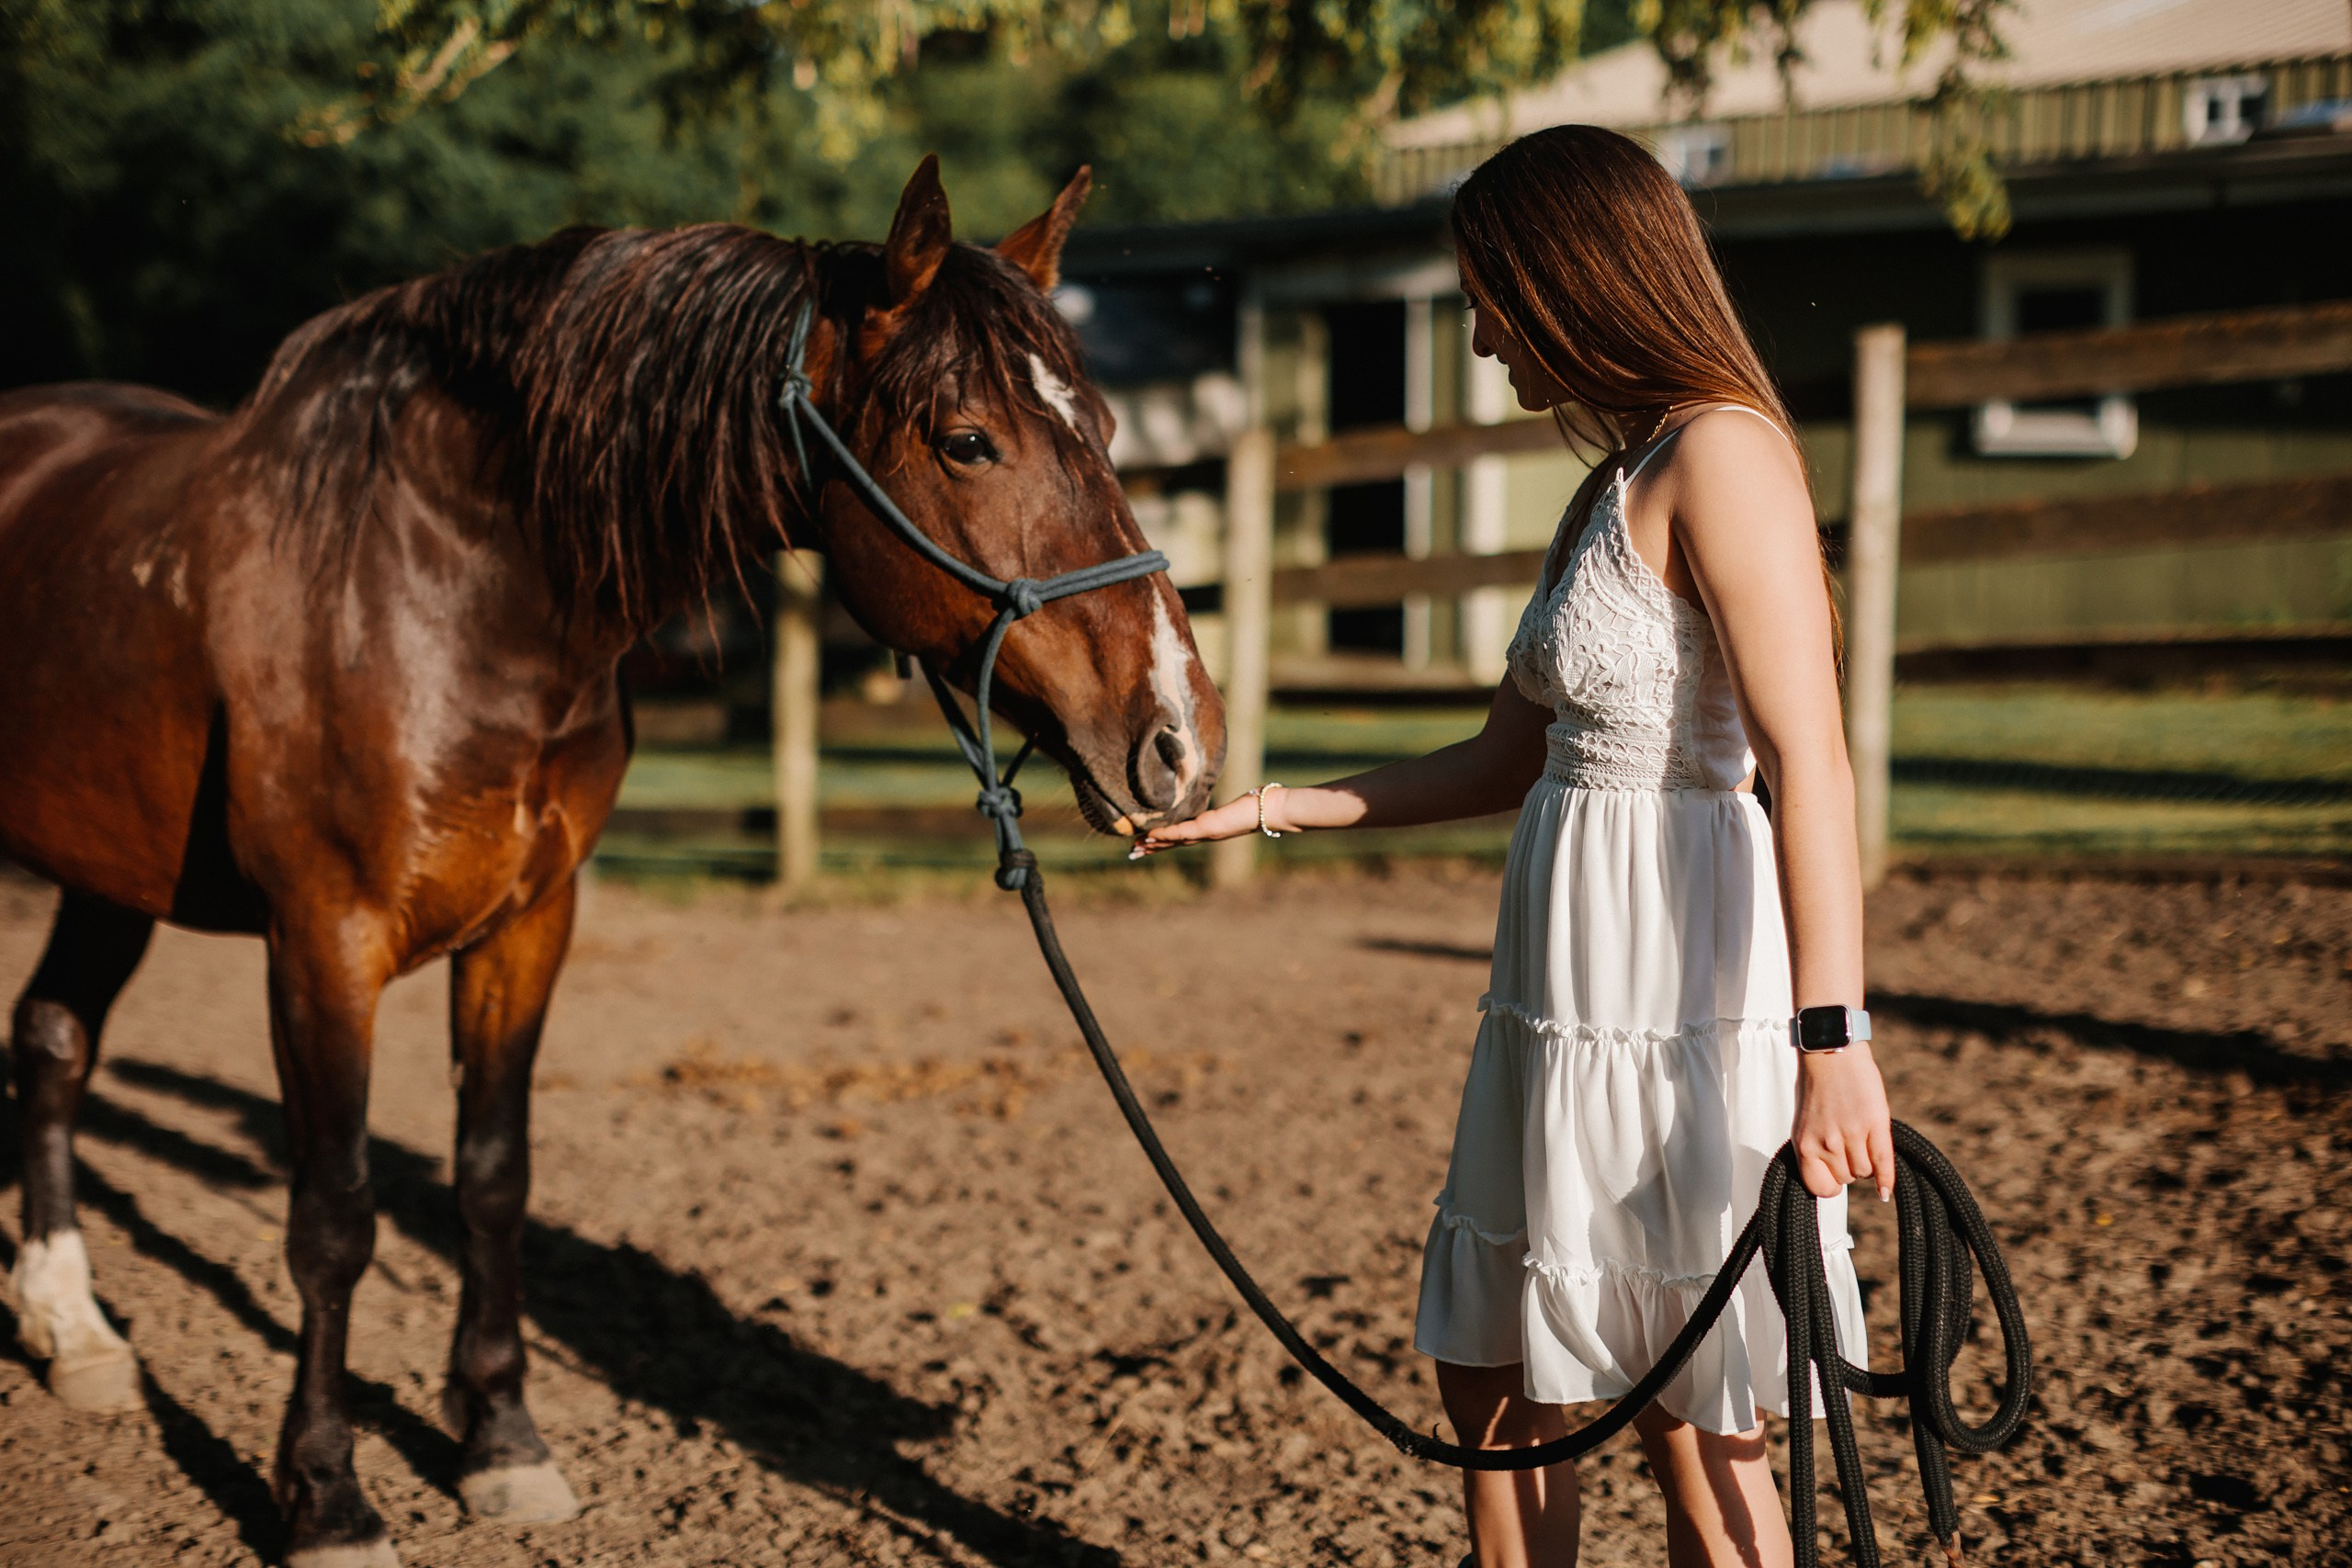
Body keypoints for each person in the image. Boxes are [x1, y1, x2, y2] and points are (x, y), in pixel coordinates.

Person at [1135, 123, 1894, 1568]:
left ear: (1571, 280)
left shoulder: (1724, 456)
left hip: (1676, 1002)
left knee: (1693, 1412)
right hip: (1554, 1010)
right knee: (1491, 1376)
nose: (1480, 331)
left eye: (1489, 293)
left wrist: (1834, 1039)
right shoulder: (1604, 489)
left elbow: (1810, 760)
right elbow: (1506, 756)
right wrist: (1272, 807)